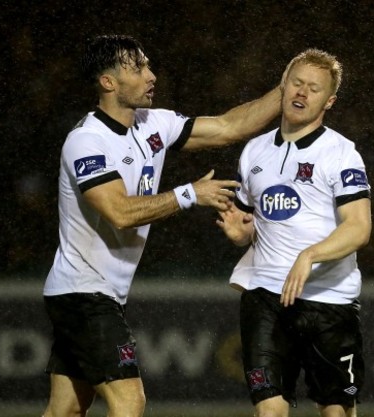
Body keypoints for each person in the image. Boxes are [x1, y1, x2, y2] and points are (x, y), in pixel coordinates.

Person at [41, 34, 281, 417]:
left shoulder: (155, 123)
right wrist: (190, 194)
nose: (151, 75)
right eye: (137, 68)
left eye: (148, 65)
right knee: (129, 401)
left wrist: (286, 89)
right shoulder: (86, 141)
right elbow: (118, 211)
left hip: (91, 293)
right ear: (109, 82)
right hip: (83, 293)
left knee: (65, 410)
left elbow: (228, 127)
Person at [217, 49, 372, 417]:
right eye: (297, 83)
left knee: (335, 411)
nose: (302, 93)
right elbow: (257, 222)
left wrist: (310, 255)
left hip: (329, 300)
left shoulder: (341, 154)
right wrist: (242, 236)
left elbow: (359, 227)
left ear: (329, 101)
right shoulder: (254, 151)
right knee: (269, 410)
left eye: (314, 89)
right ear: (283, 86)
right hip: (267, 297)